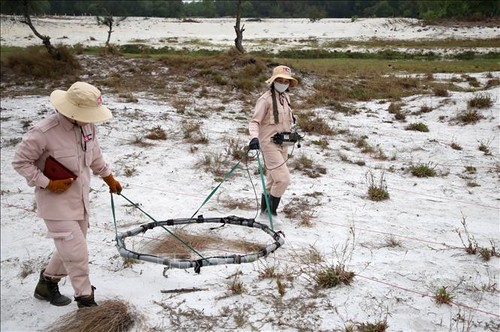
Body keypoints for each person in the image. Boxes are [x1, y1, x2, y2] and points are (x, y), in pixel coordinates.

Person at [12, 82, 122, 309]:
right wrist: (47, 183)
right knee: (77, 254)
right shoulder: (43, 133)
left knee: (70, 249)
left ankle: (46, 284)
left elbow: (95, 156)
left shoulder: (88, 127)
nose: (91, 118)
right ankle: (85, 299)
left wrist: (108, 177)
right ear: (72, 112)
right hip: (55, 206)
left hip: (80, 201)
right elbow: (20, 161)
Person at [248, 65, 298, 226]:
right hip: (269, 144)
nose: (283, 83)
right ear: (273, 81)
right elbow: (254, 122)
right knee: (283, 179)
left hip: (284, 143)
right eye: (280, 80)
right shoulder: (265, 99)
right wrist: (254, 138)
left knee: (271, 180)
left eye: (286, 81)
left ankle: (264, 213)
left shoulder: (286, 98)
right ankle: (272, 212)